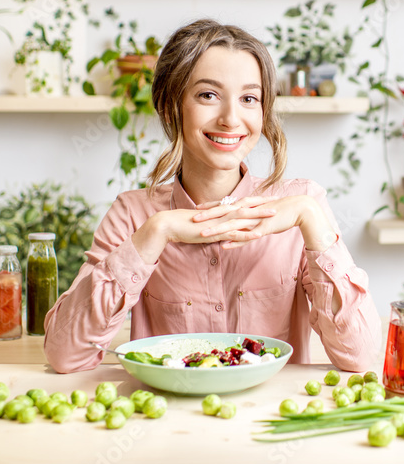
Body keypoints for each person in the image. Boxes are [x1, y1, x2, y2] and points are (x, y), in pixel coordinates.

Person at [44, 19, 382, 373]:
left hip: (271, 418)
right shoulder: (133, 214)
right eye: (208, 95)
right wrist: (156, 232)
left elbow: (359, 356)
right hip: (168, 417)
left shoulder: (301, 206)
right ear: (170, 105)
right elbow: (66, 356)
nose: (231, 119)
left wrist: (311, 217)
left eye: (249, 98)